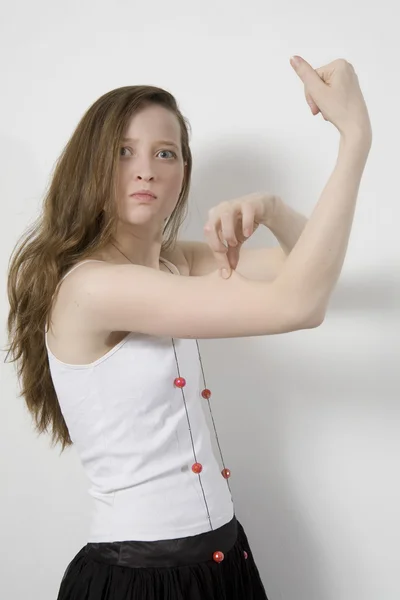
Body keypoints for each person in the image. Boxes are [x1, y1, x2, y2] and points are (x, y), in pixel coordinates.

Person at [5, 55, 372, 599]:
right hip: (142, 579)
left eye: (165, 152)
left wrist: (270, 208)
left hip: (222, 560)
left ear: (184, 172)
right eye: (123, 151)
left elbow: (310, 271)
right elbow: (300, 305)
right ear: (90, 165)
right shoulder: (90, 287)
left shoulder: (176, 262)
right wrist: (356, 139)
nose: (146, 168)